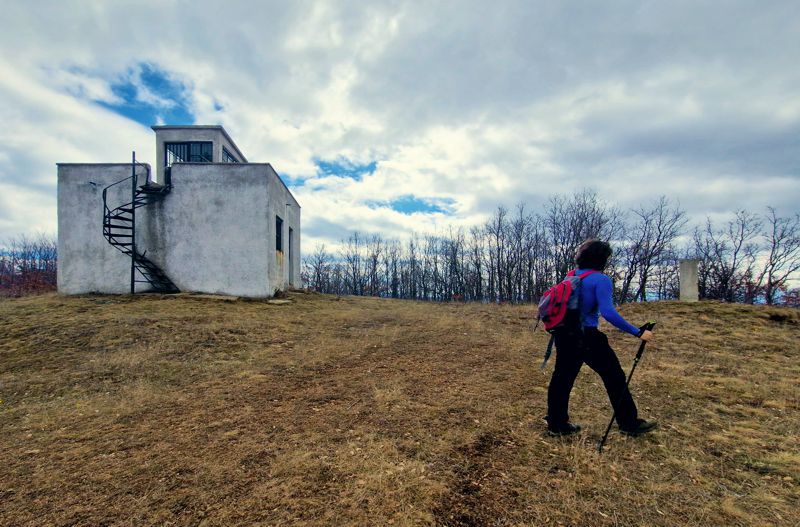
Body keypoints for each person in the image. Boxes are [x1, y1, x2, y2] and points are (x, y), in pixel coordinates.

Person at [546, 239, 658, 437]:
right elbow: (608, 313)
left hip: (565, 334)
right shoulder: (601, 280)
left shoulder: (571, 276)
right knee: (614, 377)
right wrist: (637, 332)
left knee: (562, 379)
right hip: (588, 336)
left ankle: (557, 424)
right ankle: (629, 423)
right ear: (603, 259)